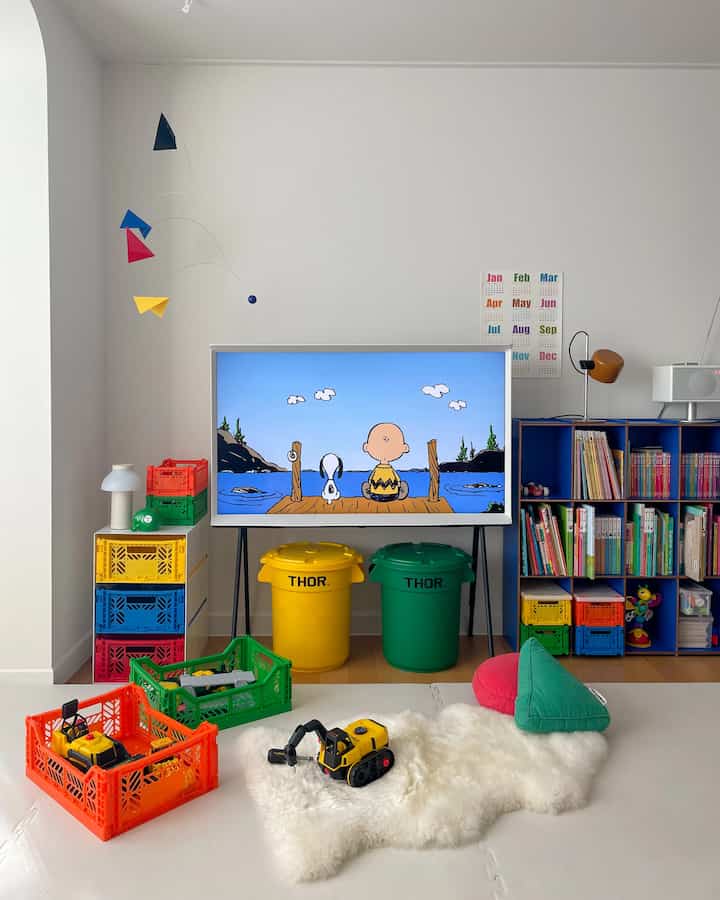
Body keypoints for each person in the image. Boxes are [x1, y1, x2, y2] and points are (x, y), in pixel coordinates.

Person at [361, 423, 410, 501]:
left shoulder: (389, 469)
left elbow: (396, 479)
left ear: (404, 448)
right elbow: (371, 479)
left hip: (391, 494)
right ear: (366, 447)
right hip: (376, 494)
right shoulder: (378, 469)